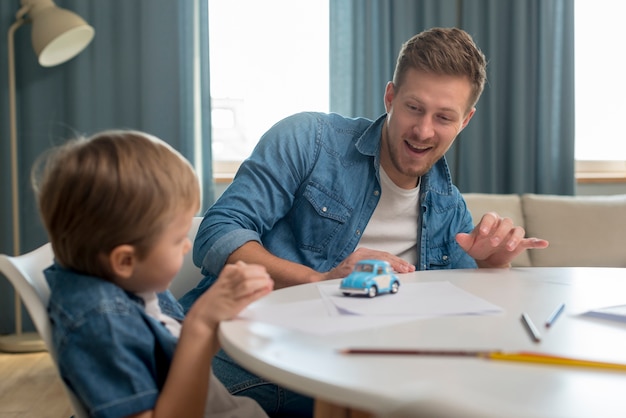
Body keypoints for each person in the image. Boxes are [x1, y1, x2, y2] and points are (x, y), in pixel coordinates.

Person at [180, 27, 549, 417]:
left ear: (465, 120)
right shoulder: (310, 140)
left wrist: (491, 268)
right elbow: (217, 233)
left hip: (364, 382)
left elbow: (463, 330)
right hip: (249, 363)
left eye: (443, 117)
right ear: (390, 97)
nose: (424, 131)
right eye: (413, 108)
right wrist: (318, 281)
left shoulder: (449, 208)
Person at [32, 130, 274, 418]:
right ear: (124, 260)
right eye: (177, 239)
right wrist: (199, 325)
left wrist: (218, 318)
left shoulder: (132, 281)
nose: (186, 246)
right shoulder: (102, 324)